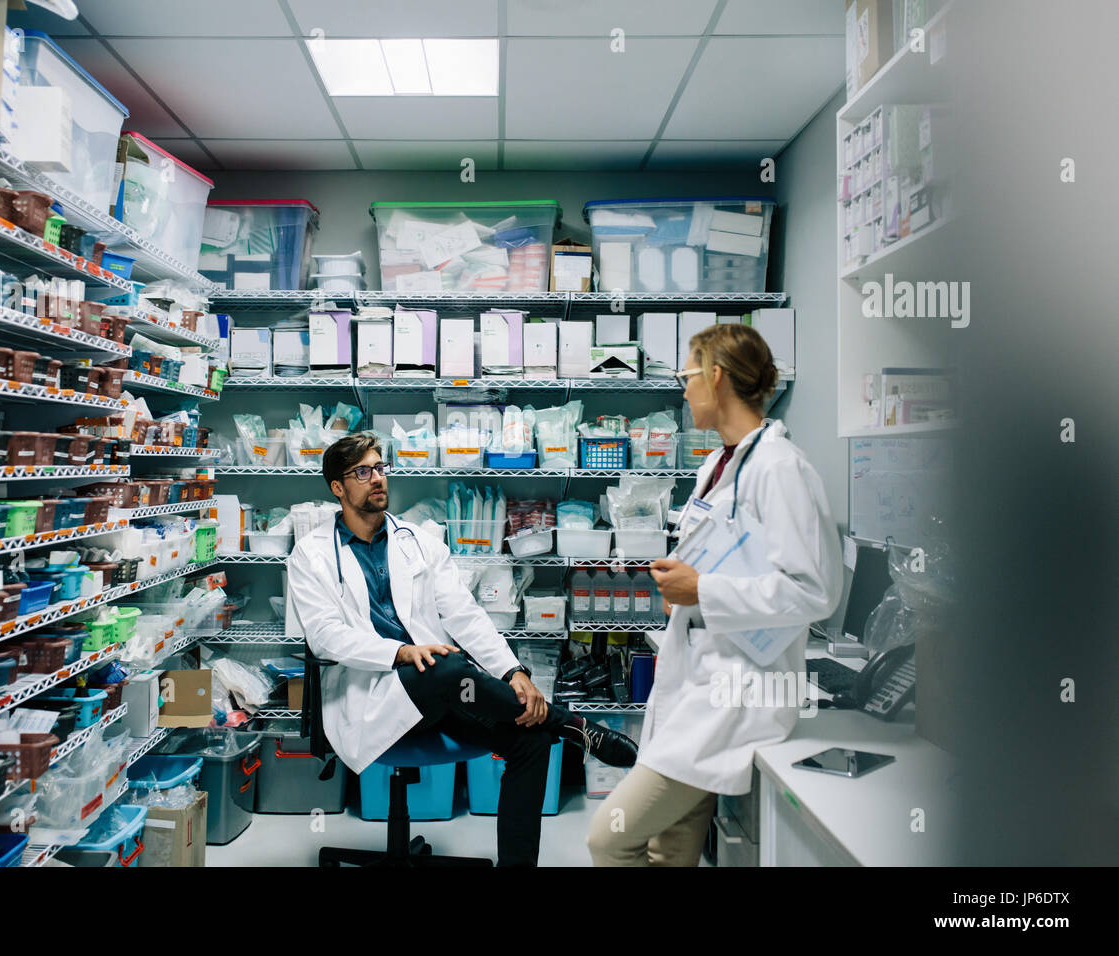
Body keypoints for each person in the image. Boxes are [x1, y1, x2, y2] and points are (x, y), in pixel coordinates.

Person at [288, 433, 637, 867]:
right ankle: (572, 723)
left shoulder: (419, 542)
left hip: (442, 693)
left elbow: (465, 616)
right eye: (363, 472)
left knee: (532, 740)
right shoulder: (311, 554)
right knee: (446, 665)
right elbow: (324, 635)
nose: (377, 479)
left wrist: (514, 673)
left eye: (380, 468)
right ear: (337, 487)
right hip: (370, 696)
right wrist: (399, 653)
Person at [587, 323, 842, 866]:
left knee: (609, 840)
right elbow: (731, 557)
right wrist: (684, 581)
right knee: (670, 850)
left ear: (717, 376)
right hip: (699, 678)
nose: (682, 391)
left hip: (737, 691)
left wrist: (701, 588)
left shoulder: (780, 469)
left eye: (688, 376)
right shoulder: (720, 462)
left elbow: (814, 590)